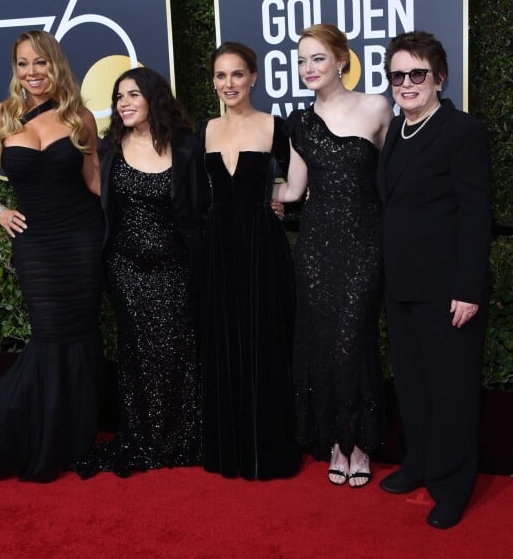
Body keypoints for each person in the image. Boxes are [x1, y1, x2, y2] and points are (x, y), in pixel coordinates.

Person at [0, 30, 105, 485]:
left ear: (56, 65)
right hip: (35, 243)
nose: (32, 73)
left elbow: (95, 182)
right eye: (22, 64)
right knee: (49, 335)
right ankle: (36, 435)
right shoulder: (1, 116)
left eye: (41, 63)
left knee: (79, 334)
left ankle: (72, 438)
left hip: (81, 238)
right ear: (15, 69)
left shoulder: (79, 119)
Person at [377, 31, 492, 529]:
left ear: (439, 77)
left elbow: (475, 214)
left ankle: (452, 485)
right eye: (397, 75)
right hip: (400, 286)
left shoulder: (462, 131)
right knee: (414, 388)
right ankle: (420, 463)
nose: (406, 83)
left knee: (452, 392)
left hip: (447, 290)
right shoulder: (394, 134)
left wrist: (468, 287)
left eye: (417, 74)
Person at [274, 24, 393, 487]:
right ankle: (333, 441)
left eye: (318, 58)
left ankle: (358, 441)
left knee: (353, 340)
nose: (308, 69)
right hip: (317, 246)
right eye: (301, 61)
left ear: (342, 60)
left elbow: (394, 177)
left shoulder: (377, 107)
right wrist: (250, 189)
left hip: (366, 242)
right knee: (322, 341)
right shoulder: (299, 123)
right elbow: (296, 188)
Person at [75, 67, 204, 479]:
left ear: (153, 98)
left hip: (176, 266)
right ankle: (144, 436)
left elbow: (210, 193)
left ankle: (182, 436)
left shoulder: (185, 146)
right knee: (138, 353)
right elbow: (97, 190)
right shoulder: (109, 146)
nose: (124, 103)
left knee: (179, 349)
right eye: (118, 97)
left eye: (132, 94)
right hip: (126, 269)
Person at [200, 41, 300, 480]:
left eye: (236, 74)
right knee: (224, 342)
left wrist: (273, 199)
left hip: (263, 246)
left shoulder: (277, 126)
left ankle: (268, 451)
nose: (228, 84)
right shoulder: (205, 130)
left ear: (253, 78)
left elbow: (295, 187)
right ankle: (230, 450)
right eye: (221, 76)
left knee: (265, 343)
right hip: (218, 248)